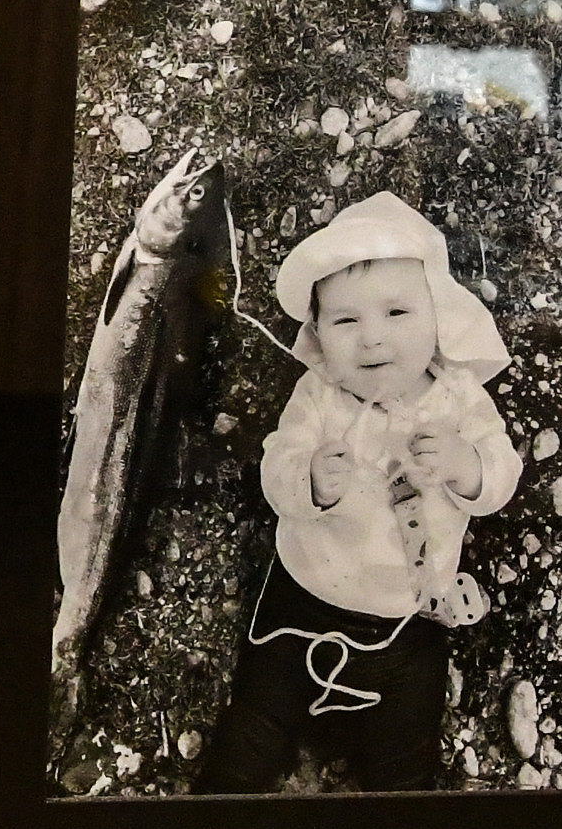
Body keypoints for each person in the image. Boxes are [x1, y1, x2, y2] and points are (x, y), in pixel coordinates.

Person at [203, 193, 523, 794]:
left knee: (406, 749)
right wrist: (310, 485)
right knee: (253, 726)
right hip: (301, 598)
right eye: (346, 321)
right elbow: (278, 470)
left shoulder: (457, 400)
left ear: (438, 320)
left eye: (397, 314)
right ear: (320, 336)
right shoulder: (318, 396)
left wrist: (465, 466)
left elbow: (501, 476)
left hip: (409, 613)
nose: (372, 340)